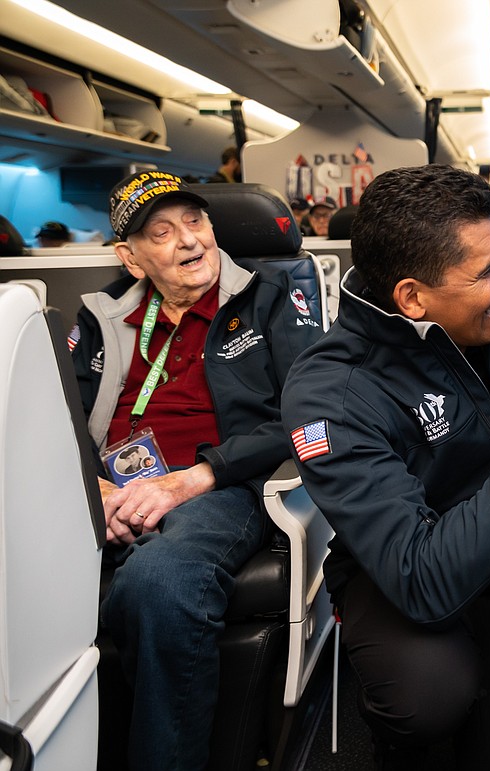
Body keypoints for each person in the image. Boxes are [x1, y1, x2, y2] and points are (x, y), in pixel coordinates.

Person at [281, 164, 490, 769]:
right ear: (412, 297)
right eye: (489, 271)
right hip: (400, 569)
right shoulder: (332, 394)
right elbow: (419, 576)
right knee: (428, 698)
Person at [68, 169, 322, 770]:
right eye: (163, 232)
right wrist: (95, 490)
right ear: (131, 258)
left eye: (195, 222)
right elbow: (63, 416)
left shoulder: (274, 298)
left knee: (156, 583)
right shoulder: (100, 319)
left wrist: (192, 479)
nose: (190, 241)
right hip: (111, 488)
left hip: (221, 485)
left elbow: (309, 414)